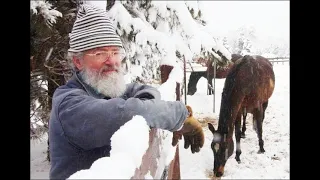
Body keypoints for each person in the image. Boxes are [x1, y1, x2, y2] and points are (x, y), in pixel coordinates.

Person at [49, 4, 204, 180]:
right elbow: (128, 113)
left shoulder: (101, 89)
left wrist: (147, 106)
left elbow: (142, 89)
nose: (112, 61)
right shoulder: (69, 105)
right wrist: (180, 115)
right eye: (100, 53)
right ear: (78, 61)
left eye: (115, 52)